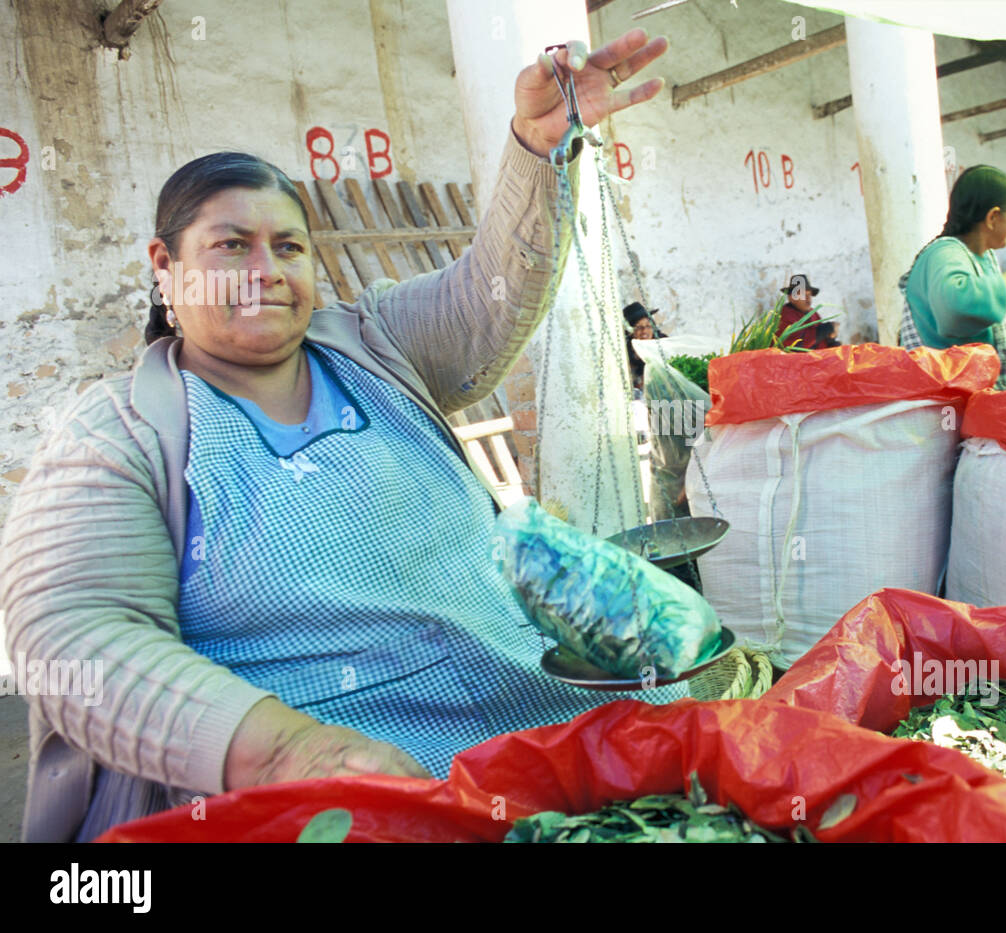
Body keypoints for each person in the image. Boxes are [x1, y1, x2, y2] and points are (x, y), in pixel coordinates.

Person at [0, 29, 675, 843]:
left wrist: (537, 150)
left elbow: (486, 298)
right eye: (231, 246)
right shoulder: (120, 432)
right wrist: (291, 751)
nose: (267, 270)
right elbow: (74, 639)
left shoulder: (374, 343)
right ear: (164, 265)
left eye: (288, 247)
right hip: (334, 789)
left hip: (522, 710)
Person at [899, 165, 1006, 390]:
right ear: (993, 217)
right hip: (953, 400)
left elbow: (984, 319)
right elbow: (957, 308)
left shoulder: (983, 256)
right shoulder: (944, 253)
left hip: (981, 396)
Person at [777, 273, 829, 349]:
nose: (808, 299)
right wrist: (827, 329)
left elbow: (823, 340)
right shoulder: (784, 316)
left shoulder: (813, 313)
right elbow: (797, 344)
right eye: (803, 295)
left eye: (809, 295)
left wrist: (831, 340)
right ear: (792, 298)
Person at [623, 300, 663, 391]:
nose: (644, 331)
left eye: (648, 326)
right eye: (639, 327)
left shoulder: (662, 344)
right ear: (631, 332)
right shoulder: (627, 354)